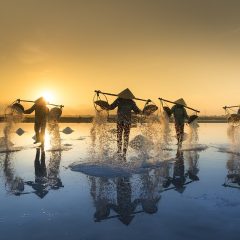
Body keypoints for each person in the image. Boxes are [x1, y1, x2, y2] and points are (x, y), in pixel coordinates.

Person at [108, 88, 141, 157]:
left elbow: (111, 107)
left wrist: (105, 105)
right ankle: (123, 152)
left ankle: (120, 150)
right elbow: (137, 111)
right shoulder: (131, 102)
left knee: (119, 136)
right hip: (126, 122)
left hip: (121, 121)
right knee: (126, 137)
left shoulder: (119, 100)